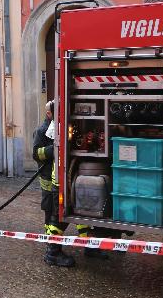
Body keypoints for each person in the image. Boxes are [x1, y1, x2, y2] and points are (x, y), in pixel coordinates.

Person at [33, 101, 108, 267]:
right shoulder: (43, 131)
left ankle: (89, 246)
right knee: (56, 218)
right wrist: (51, 150)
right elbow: (36, 154)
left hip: (68, 178)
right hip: (53, 182)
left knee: (82, 212)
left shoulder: (64, 128)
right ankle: (52, 251)